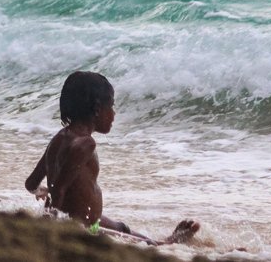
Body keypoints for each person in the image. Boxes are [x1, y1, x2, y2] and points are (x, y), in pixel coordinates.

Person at [24, 71, 200, 245]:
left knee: (121, 228)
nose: (114, 114)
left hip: (86, 221)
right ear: (98, 109)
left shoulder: (59, 138)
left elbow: (31, 183)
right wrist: (54, 232)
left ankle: (157, 241)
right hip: (81, 228)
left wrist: (42, 190)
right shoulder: (85, 144)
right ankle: (163, 244)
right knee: (140, 244)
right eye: (112, 106)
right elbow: (59, 190)